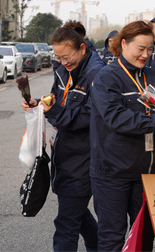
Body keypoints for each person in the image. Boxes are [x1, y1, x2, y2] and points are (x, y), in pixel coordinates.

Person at [89, 21, 155, 251]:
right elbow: (115, 117)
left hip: (147, 171)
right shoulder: (106, 77)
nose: (146, 55)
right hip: (113, 172)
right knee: (112, 237)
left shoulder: (151, 74)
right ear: (123, 44)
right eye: (140, 48)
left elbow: (154, 107)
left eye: (150, 49)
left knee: (143, 236)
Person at [21, 26, 104, 251]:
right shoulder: (64, 69)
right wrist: (39, 104)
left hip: (84, 155)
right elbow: (56, 98)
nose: (62, 62)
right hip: (64, 151)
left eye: (66, 57)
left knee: (66, 222)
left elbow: (90, 116)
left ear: (82, 48)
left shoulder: (96, 74)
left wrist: (54, 112)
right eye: (58, 57)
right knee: (77, 213)